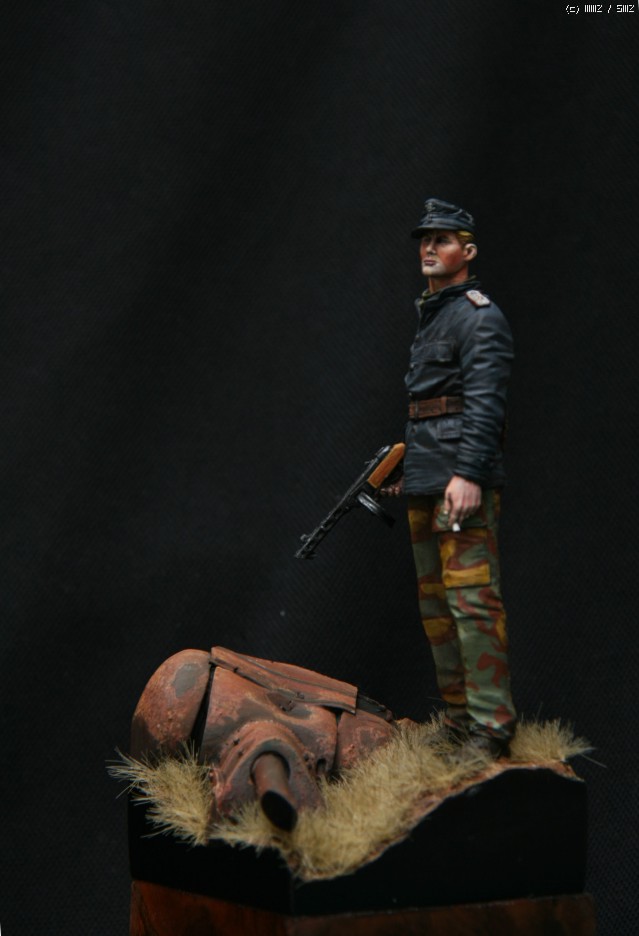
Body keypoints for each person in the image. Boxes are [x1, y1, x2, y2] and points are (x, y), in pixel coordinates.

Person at [385, 198, 517, 758]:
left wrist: (469, 474)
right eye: (425, 239)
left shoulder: (478, 316)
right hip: (428, 479)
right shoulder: (435, 315)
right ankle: (461, 720)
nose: (429, 248)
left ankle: (492, 728)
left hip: (459, 483)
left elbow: (485, 406)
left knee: (472, 602)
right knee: (437, 607)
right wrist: (411, 472)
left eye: (441, 240)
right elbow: (429, 409)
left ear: (468, 251)